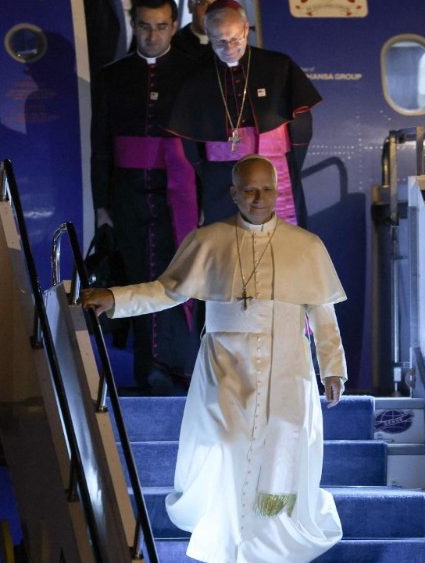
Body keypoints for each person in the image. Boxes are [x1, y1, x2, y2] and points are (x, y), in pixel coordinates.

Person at [81, 155, 346, 562]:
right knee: (227, 444)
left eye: (268, 189)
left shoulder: (307, 246)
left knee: (280, 445)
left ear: (278, 191)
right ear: (234, 193)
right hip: (227, 365)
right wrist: (115, 298)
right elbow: (167, 290)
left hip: (287, 367)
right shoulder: (208, 239)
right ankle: (227, 537)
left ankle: (269, 542)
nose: (260, 199)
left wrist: (332, 369)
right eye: (250, 190)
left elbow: (322, 314)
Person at [90, 0, 200, 394]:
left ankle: (181, 366)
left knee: (180, 274)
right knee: (140, 274)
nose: (152, 36)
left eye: (161, 27)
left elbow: (202, 143)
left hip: (181, 191)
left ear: (174, 26)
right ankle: (149, 369)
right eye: (144, 27)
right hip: (129, 191)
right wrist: (102, 205)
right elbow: (100, 143)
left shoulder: (194, 71)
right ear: (133, 26)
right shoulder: (112, 76)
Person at [167, 0, 322, 227]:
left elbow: (301, 127)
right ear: (208, 35)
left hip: (274, 168)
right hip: (221, 178)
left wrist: (289, 165)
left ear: (246, 28)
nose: (229, 48)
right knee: (228, 241)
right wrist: (209, 175)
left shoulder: (278, 66)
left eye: (235, 39)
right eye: (219, 41)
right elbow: (191, 144)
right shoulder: (197, 78)